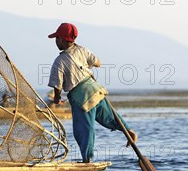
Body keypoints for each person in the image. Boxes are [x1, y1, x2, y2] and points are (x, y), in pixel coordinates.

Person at [46, 23, 137, 163]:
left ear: (64, 40)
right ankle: (128, 130)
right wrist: (85, 65)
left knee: (83, 130)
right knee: (110, 117)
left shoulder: (59, 61)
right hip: (95, 90)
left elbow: (57, 86)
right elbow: (98, 62)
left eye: (57, 38)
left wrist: (57, 99)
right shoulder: (82, 50)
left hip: (81, 97)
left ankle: (87, 160)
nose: (55, 41)